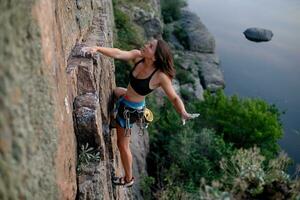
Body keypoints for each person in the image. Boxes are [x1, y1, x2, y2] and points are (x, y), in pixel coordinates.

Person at [81, 39, 199, 187]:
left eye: (150, 46)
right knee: (117, 91)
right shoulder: (138, 56)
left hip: (130, 111)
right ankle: (115, 121)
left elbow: (174, 97)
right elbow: (118, 53)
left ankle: (128, 179)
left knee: (122, 145)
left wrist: (183, 112)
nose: (145, 45)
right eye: (148, 43)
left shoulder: (160, 76)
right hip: (126, 98)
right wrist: (97, 48)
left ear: (155, 57)